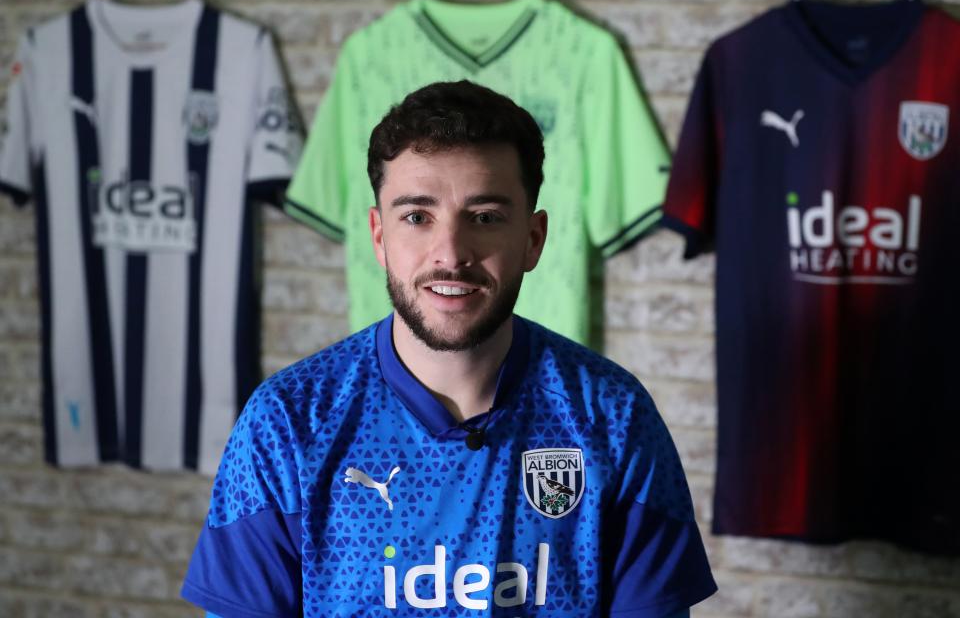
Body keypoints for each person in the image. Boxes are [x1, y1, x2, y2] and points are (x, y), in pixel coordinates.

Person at [182, 80, 717, 617]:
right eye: (417, 216)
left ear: (533, 239)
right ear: (378, 235)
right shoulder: (286, 424)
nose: (451, 253)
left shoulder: (615, 417)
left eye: (484, 217)